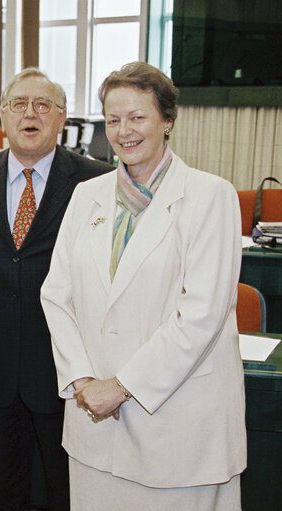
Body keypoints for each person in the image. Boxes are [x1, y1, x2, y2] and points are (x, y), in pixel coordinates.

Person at [40, 61, 246, 510]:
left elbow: (201, 315)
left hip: (177, 426)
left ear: (167, 121)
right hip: (95, 420)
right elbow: (56, 295)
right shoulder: (85, 196)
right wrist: (83, 380)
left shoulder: (211, 197)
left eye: (138, 117)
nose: (123, 131)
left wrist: (121, 386)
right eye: (113, 119)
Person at [0, 68, 110, 511]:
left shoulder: (95, 181)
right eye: (19, 104)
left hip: (68, 373)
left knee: (70, 493)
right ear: (1, 117)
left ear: (62, 119)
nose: (30, 114)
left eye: (43, 105)